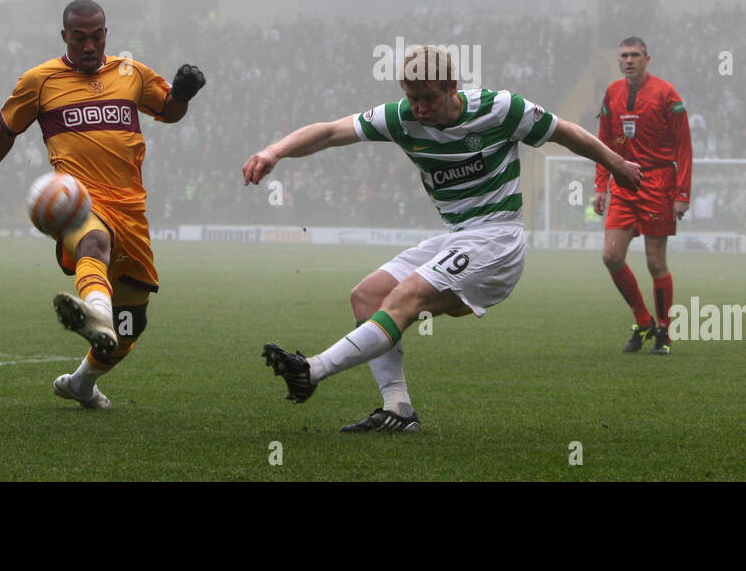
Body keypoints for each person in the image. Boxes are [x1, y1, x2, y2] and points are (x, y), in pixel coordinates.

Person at [244, 44, 642, 432]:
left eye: (428, 98)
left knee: (404, 298)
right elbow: (330, 133)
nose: (419, 108)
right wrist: (274, 152)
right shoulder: (401, 118)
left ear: (452, 86)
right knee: (366, 296)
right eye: (411, 97)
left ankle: (312, 370)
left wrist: (618, 163)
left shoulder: (499, 108)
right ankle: (397, 409)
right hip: (458, 237)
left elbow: (565, 132)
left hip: (497, 240)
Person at [0, 0, 205, 406]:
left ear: (106, 34)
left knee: (132, 324)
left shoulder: (130, 73)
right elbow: (5, 133)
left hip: (131, 210)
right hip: (78, 200)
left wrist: (183, 94)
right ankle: (94, 309)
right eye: (79, 37)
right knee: (93, 243)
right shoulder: (39, 81)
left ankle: (82, 383)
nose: (89, 45)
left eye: (97, 36)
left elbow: (168, 111)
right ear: (64, 36)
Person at [593, 37, 692, 354]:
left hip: (658, 182)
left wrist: (682, 192)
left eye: (635, 55)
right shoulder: (612, 92)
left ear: (648, 59)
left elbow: (684, 146)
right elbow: (603, 141)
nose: (629, 60)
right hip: (623, 183)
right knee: (611, 256)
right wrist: (600, 185)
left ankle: (664, 331)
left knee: (655, 262)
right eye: (624, 55)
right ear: (619, 60)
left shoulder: (666, 93)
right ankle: (643, 319)